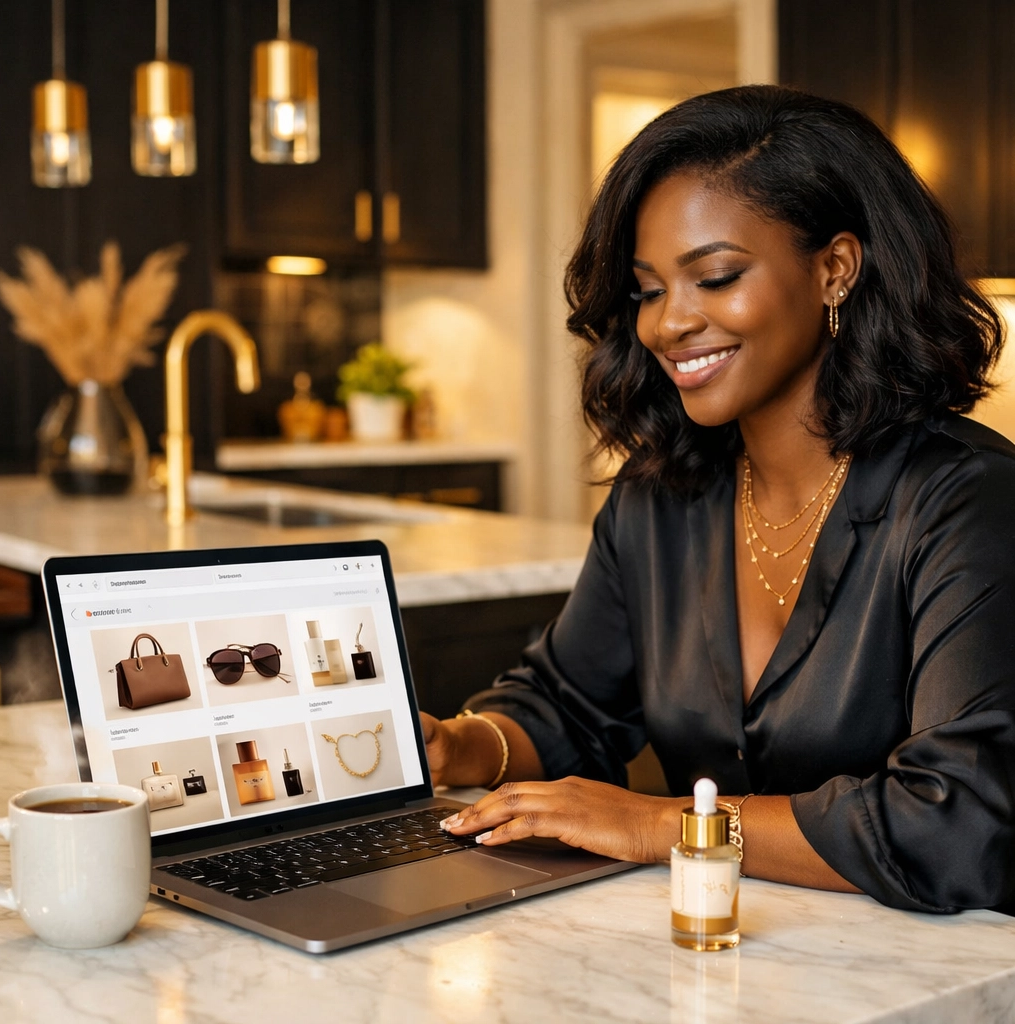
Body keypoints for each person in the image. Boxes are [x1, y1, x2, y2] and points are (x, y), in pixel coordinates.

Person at [422, 85, 1015, 913]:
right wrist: (460, 747)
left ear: (835, 269)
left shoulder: (966, 499)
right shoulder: (662, 496)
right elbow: (568, 705)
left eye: (716, 276)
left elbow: (958, 822)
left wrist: (665, 825)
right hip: (714, 962)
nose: (669, 324)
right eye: (649, 289)